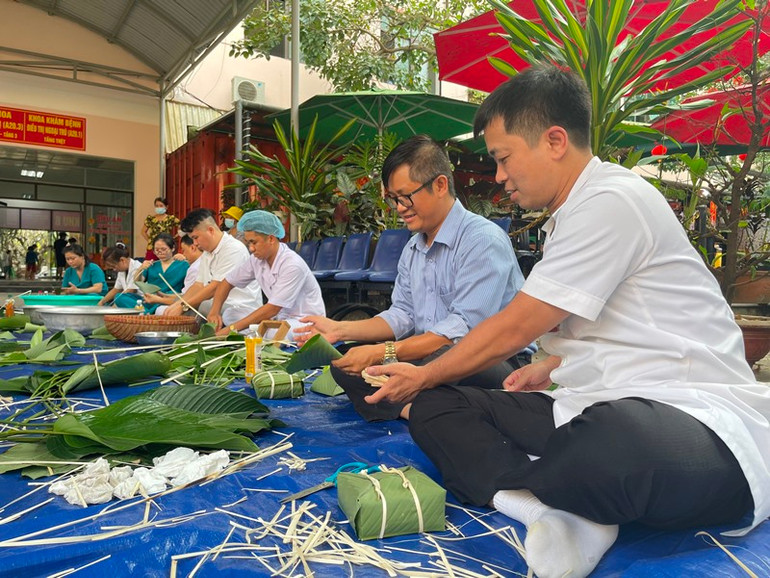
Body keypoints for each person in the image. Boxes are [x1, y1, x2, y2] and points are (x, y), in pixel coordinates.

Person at [363, 65, 770, 578]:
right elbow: (607, 326)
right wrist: (554, 366)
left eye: (503, 158)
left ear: (555, 140)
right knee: (437, 406)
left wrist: (418, 369)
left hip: (683, 413)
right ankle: (544, 503)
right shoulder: (568, 216)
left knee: (613, 438)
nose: (499, 176)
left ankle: (554, 485)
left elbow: (515, 326)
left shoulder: (612, 200)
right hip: (583, 405)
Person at [296, 135, 534, 422]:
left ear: (440, 184)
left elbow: (464, 331)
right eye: (393, 199)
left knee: (443, 359)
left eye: (405, 196)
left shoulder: (481, 240)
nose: (399, 208)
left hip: (491, 360)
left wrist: (382, 353)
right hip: (429, 352)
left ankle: (416, 406)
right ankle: (418, 410)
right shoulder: (414, 248)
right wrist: (339, 330)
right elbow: (402, 315)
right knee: (345, 363)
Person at [208, 210, 325, 338]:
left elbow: (272, 309)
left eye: (254, 242)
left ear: (271, 238)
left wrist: (229, 330)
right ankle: (256, 333)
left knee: (274, 333)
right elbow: (227, 282)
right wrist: (215, 312)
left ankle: (256, 334)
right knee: (230, 314)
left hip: (302, 321)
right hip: (277, 319)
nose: (251, 249)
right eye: (248, 243)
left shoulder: (292, 264)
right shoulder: (256, 259)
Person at [163, 208, 262, 320]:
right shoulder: (207, 252)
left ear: (210, 230)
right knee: (181, 302)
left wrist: (184, 306)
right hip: (217, 303)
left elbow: (217, 287)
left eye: (196, 238)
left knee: (201, 305)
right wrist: (180, 303)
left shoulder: (233, 249)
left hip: (239, 306)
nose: (195, 243)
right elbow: (198, 285)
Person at [145, 235, 201, 315]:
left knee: (163, 310)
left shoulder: (187, 266)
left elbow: (187, 298)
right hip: (173, 298)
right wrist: (163, 296)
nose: (184, 254)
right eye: (156, 250)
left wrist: (160, 299)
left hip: (191, 304)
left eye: (184, 250)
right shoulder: (151, 265)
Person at [136, 233, 189, 315]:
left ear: (173, 248)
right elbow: (138, 282)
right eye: (157, 250)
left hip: (171, 299)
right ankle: (148, 311)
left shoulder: (183, 264)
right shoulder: (151, 265)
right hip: (150, 299)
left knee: (171, 298)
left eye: (163, 249)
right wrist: (141, 268)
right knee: (121, 297)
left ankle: (146, 312)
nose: (160, 252)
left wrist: (186, 258)